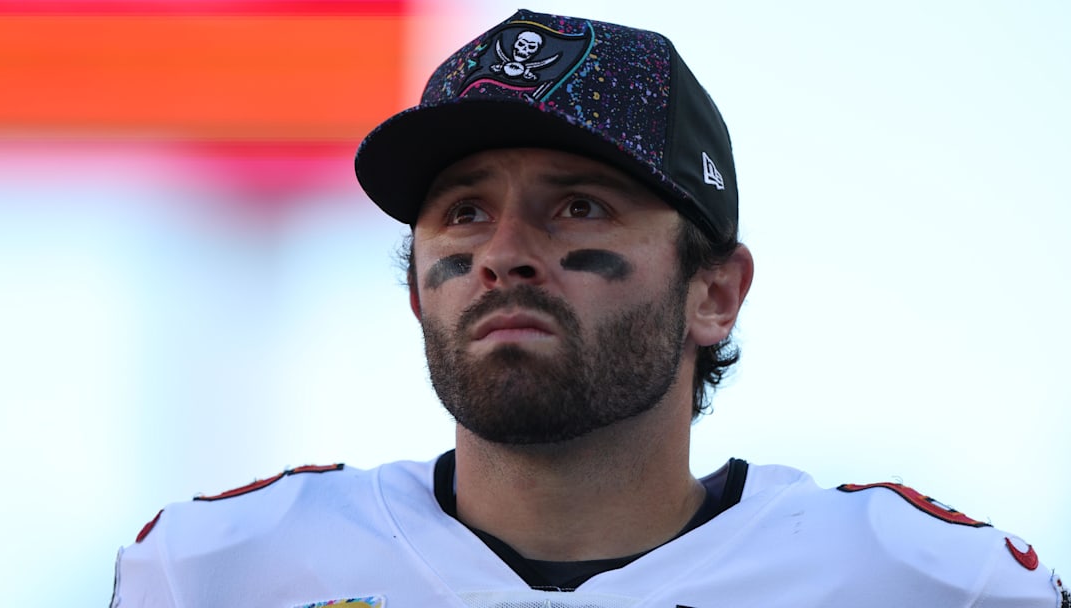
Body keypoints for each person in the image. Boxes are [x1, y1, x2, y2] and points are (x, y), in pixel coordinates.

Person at [110, 9, 1066, 607]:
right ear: (414, 289)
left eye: (577, 207)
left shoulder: (925, 584)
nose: (503, 254)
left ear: (714, 294)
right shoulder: (219, 572)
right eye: (464, 212)